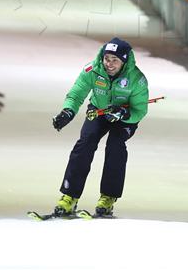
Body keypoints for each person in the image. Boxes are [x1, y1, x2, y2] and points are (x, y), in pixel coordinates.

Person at [50, 37, 149, 217]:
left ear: (124, 61)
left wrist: (124, 114)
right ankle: (69, 196)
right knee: (85, 143)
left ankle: (108, 197)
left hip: (124, 117)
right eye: (107, 59)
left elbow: (140, 110)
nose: (109, 64)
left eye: (115, 60)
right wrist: (68, 112)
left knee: (115, 146)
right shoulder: (92, 70)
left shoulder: (136, 79)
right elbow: (76, 94)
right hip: (99, 111)